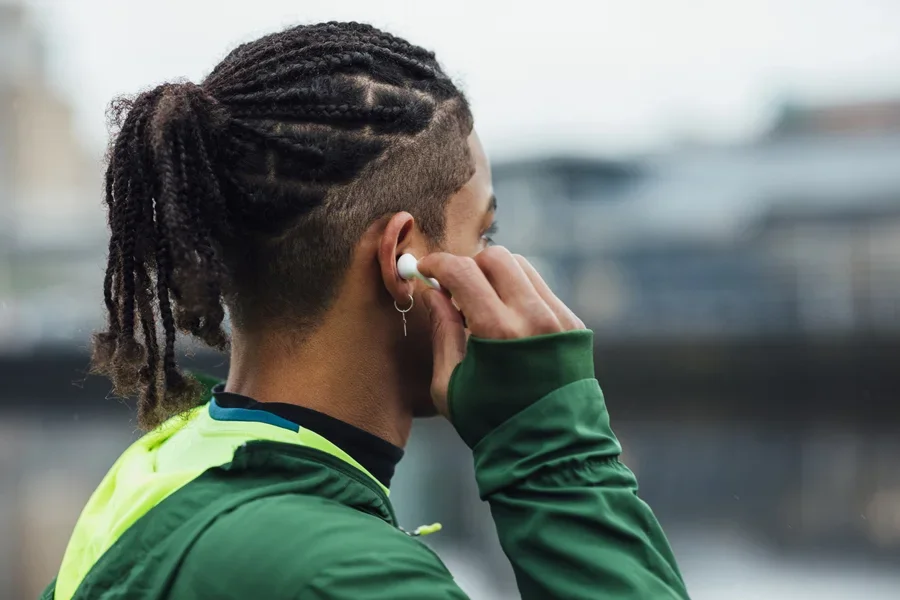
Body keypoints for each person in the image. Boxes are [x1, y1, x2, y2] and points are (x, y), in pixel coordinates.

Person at [43, 21, 689, 600]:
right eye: (484, 233)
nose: (500, 261)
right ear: (403, 261)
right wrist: (555, 450)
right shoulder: (347, 577)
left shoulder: (153, 482)